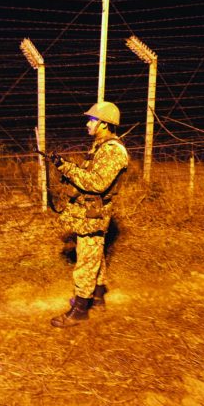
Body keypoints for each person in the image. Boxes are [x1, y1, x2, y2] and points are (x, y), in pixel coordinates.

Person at [48, 101, 129, 327]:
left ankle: (80, 310)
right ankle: (98, 297)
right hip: (90, 211)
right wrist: (66, 167)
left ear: (104, 124)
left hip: (95, 213)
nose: (88, 124)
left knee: (86, 258)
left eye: (92, 120)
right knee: (94, 253)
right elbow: (87, 174)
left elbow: (96, 183)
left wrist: (66, 168)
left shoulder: (113, 151)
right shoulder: (100, 146)